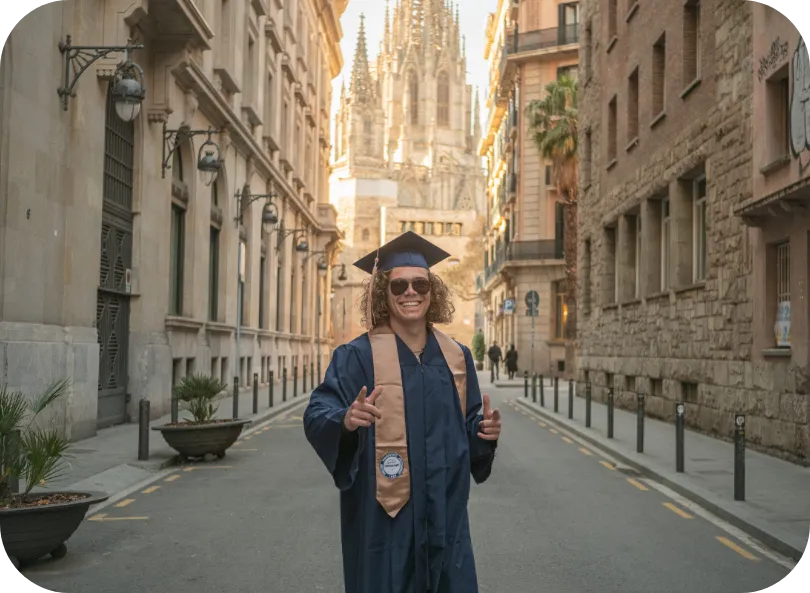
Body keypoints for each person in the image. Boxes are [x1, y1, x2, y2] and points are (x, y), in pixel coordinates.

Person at [303, 231, 502, 593]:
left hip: (444, 517)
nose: (411, 292)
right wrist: (345, 420)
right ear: (383, 293)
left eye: (420, 284)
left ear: (432, 291)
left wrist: (483, 432)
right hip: (383, 524)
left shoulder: (456, 358)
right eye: (399, 286)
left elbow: (468, 428)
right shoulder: (356, 358)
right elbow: (318, 412)